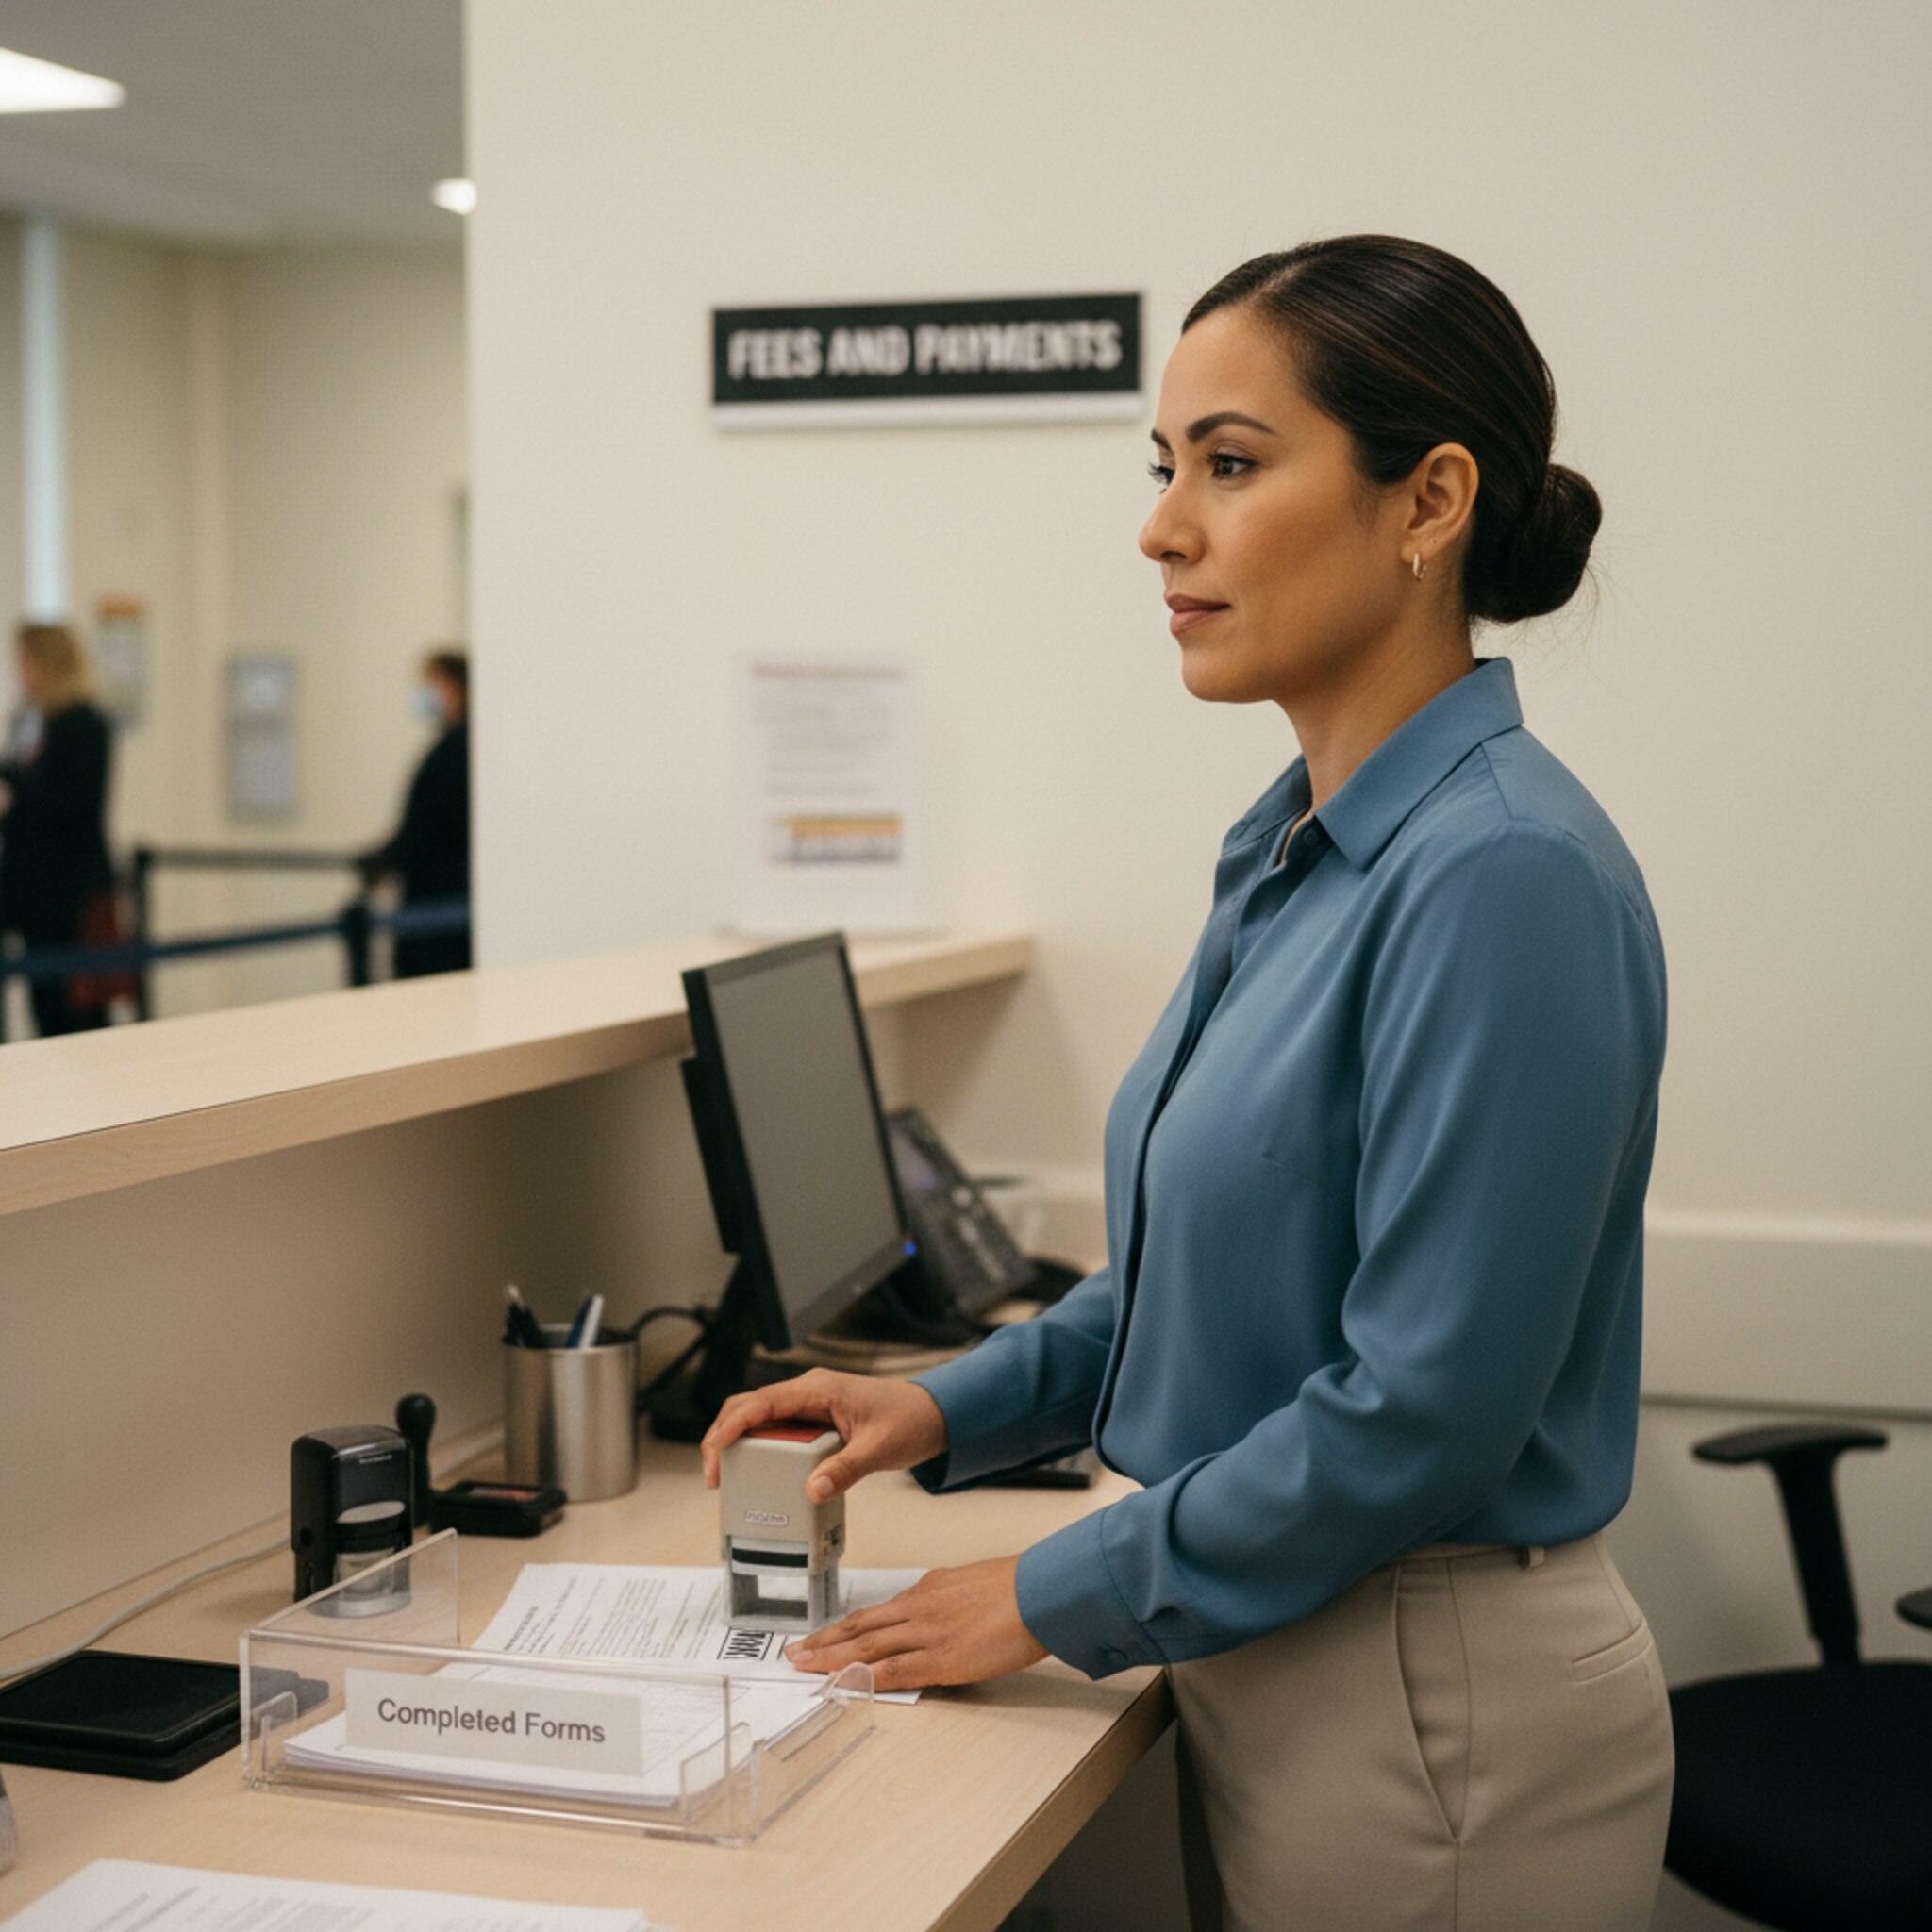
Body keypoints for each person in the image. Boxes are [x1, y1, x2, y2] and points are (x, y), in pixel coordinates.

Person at [702, 235, 1673, 1931]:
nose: (1163, 527)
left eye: (1229, 465)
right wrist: (946, 1402)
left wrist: (1043, 1587)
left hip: (1427, 1700)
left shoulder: (1499, 872)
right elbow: (1195, 1278)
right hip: (1286, 1636)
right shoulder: (1295, 845)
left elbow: (1422, 1408)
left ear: (1427, 500)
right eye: (1166, 471)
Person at [0, 623, 116, 1036]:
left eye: (25, 662)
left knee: (78, 1011)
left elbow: (79, 806)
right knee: (44, 1003)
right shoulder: (29, 724)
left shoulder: (85, 725)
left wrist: (14, 797)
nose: (19, 672)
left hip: (70, 892)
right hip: (30, 890)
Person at [361, 647, 471, 977]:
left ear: (457, 686)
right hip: (436, 906)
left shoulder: (457, 749)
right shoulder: (453, 746)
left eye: (433, 682)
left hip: (440, 911)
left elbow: (430, 825)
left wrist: (390, 858)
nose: (424, 693)